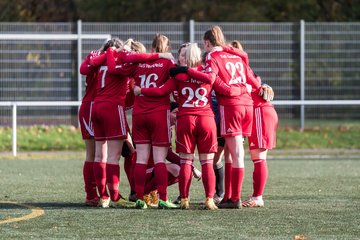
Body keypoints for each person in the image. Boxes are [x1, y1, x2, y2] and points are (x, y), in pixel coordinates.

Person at [134, 43, 247, 210]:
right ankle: (209, 199)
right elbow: (224, 88)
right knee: (207, 162)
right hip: (206, 119)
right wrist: (245, 88)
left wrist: (140, 90)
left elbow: (160, 91)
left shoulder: (178, 76)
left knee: (186, 162)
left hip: (186, 119)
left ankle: (185, 199)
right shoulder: (208, 72)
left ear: (184, 58)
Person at [170, 26, 263, 208]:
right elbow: (254, 81)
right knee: (229, 154)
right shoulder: (237, 56)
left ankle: (229, 198)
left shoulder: (210, 59)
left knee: (228, 154)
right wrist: (251, 89)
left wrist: (186, 72)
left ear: (207, 43)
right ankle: (223, 196)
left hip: (228, 106)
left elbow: (214, 81)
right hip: (246, 106)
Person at [106, 34, 179, 209]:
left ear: (152, 49)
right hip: (158, 113)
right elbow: (176, 81)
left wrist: (117, 51)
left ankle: (139, 198)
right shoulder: (168, 63)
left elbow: (116, 67)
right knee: (160, 159)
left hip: (139, 115)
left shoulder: (139, 62)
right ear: (167, 49)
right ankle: (163, 199)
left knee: (141, 158)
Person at [228, 40, 278, 208]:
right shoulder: (245, 71)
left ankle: (258, 197)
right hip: (260, 112)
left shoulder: (242, 72)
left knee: (259, 159)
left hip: (260, 113)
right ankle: (255, 195)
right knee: (258, 158)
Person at [78, 44, 105, 207]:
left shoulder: (107, 58)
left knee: (102, 153)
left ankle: (102, 192)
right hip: (92, 106)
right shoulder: (97, 56)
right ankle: (92, 194)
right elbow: (83, 69)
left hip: (101, 106)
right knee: (94, 153)